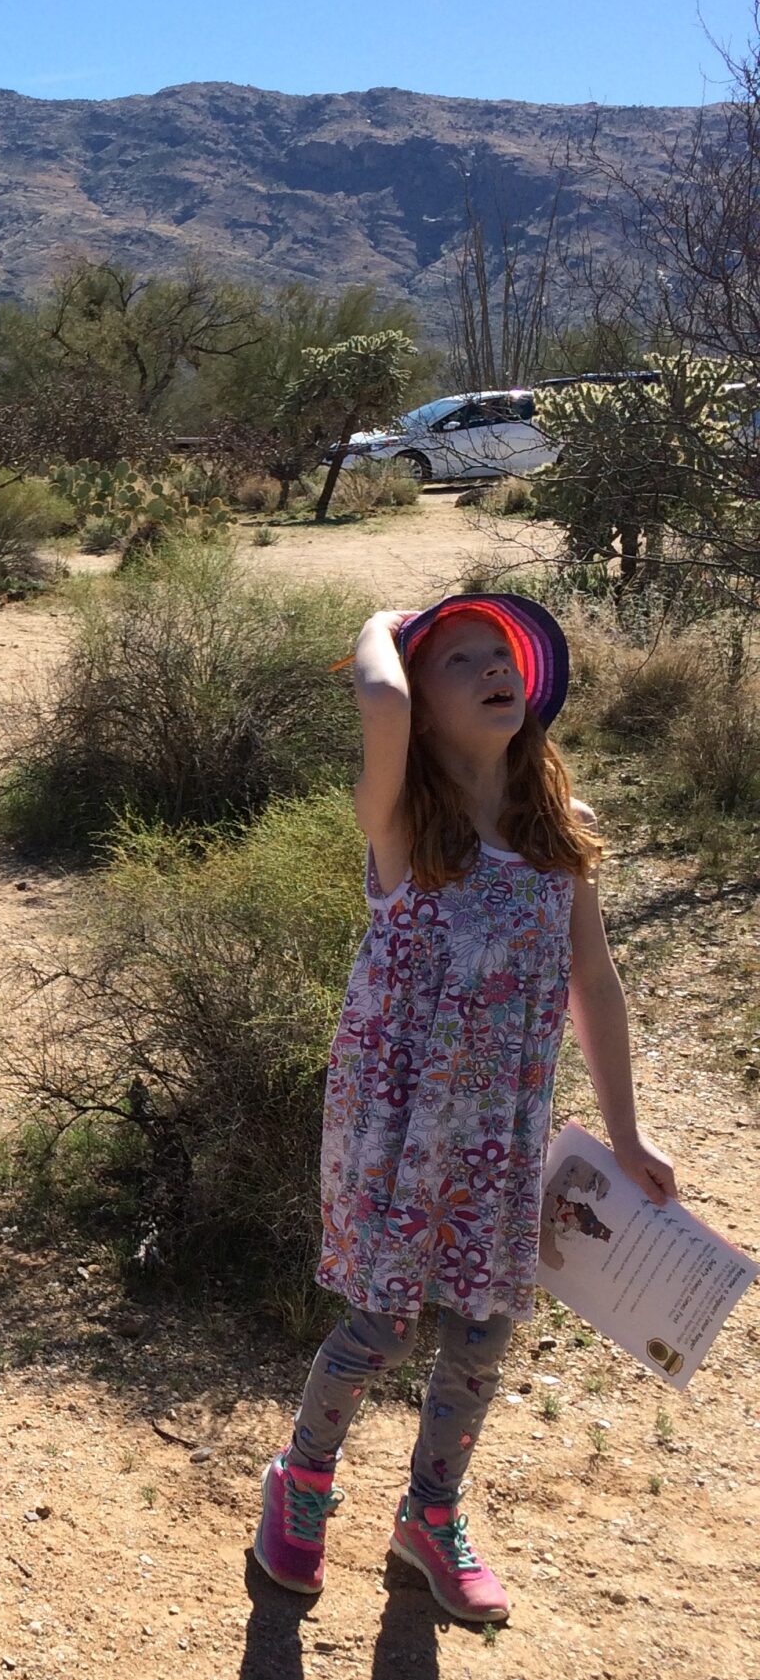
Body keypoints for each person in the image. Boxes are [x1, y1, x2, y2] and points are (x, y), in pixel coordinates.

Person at [252, 593, 675, 1624]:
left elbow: (595, 984)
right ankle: (301, 1481)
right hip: (396, 1129)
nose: (494, 669)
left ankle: (430, 1517)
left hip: (501, 1134)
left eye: (504, 656)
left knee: (484, 1333)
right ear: (422, 701)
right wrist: (381, 627)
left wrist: (625, 1131)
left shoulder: (558, 833)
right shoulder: (404, 825)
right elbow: (380, 703)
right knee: (382, 1325)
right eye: (462, 660)